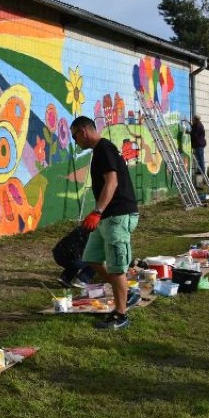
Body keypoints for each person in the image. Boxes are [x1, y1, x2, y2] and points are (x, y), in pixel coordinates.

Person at [70, 116, 140, 329]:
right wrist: (97, 212)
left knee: (117, 266)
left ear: (83, 131)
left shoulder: (104, 148)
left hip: (117, 214)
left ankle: (121, 315)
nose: (75, 141)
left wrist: (97, 211)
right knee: (91, 258)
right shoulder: (99, 151)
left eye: (75, 136)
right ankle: (125, 292)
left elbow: (112, 181)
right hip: (106, 216)